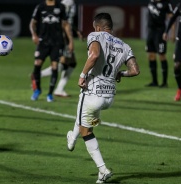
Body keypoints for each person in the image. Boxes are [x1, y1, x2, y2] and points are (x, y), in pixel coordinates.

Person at [66, 13, 140, 183]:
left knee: (86, 130)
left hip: (93, 92)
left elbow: (94, 55)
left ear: (98, 27)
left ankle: (102, 169)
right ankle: (72, 138)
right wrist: (121, 73)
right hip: (109, 97)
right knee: (87, 117)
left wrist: (82, 75)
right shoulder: (124, 45)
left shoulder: (95, 35)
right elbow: (135, 70)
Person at [30, 0, 74, 102]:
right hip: (43, 42)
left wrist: (71, 41)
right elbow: (33, 22)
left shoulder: (61, 7)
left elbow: (66, 24)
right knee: (37, 63)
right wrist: (34, 34)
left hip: (57, 42)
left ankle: (50, 94)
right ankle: (37, 90)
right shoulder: (40, 6)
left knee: (55, 66)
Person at [41, 0, 83, 97]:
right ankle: (38, 75)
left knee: (71, 64)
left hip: (65, 36)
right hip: (63, 37)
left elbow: (69, 20)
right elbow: (62, 21)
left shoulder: (71, 2)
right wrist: (66, 39)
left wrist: (76, 30)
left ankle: (59, 89)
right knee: (64, 63)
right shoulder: (67, 3)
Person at [145, 0, 174, 88]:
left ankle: (164, 82)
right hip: (150, 32)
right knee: (151, 55)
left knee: (161, 55)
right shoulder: (151, 2)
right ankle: (154, 81)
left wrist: (172, 33)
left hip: (160, 32)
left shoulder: (166, 3)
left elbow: (171, 18)